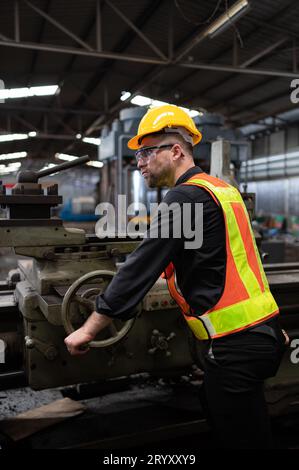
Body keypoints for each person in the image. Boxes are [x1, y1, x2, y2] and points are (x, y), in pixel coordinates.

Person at [65, 104, 288, 449]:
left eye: (146, 153)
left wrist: (90, 327)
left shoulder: (184, 197)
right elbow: (244, 264)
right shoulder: (222, 190)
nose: (139, 163)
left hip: (236, 345)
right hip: (259, 336)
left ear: (176, 151)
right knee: (232, 418)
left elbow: (142, 265)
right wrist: (269, 326)